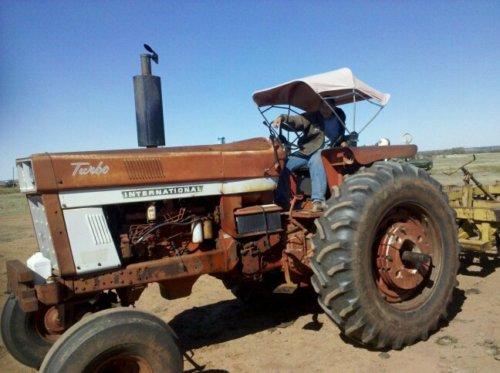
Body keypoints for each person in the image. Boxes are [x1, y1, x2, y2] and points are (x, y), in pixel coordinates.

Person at [273, 98, 346, 212]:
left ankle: (318, 201)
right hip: (307, 150)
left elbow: (341, 134)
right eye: (323, 106)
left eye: (328, 107)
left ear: (333, 107)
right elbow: (298, 120)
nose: (325, 110)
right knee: (285, 165)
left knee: (317, 159)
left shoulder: (340, 115)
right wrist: (283, 117)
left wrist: (343, 142)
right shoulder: (312, 117)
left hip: (328, 151)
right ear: (320, 106)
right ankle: (282, 201)